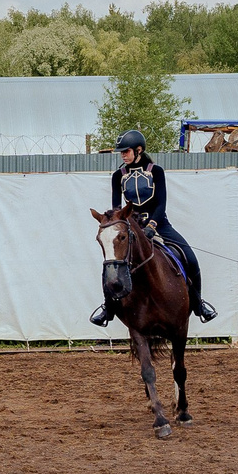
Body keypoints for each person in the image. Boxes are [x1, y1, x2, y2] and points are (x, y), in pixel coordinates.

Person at [91, 129, 217, 328]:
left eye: (126, 151)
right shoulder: (118, 176)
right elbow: (117, 208)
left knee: (190, 258)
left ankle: (198, 303)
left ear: (138, 150)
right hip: (131, 226)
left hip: (159, 224)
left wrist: (151, 226)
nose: (123, 155)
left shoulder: (155, 171)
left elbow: (161, 204)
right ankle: (108, 308)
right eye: (121, 152)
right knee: (111, 263)